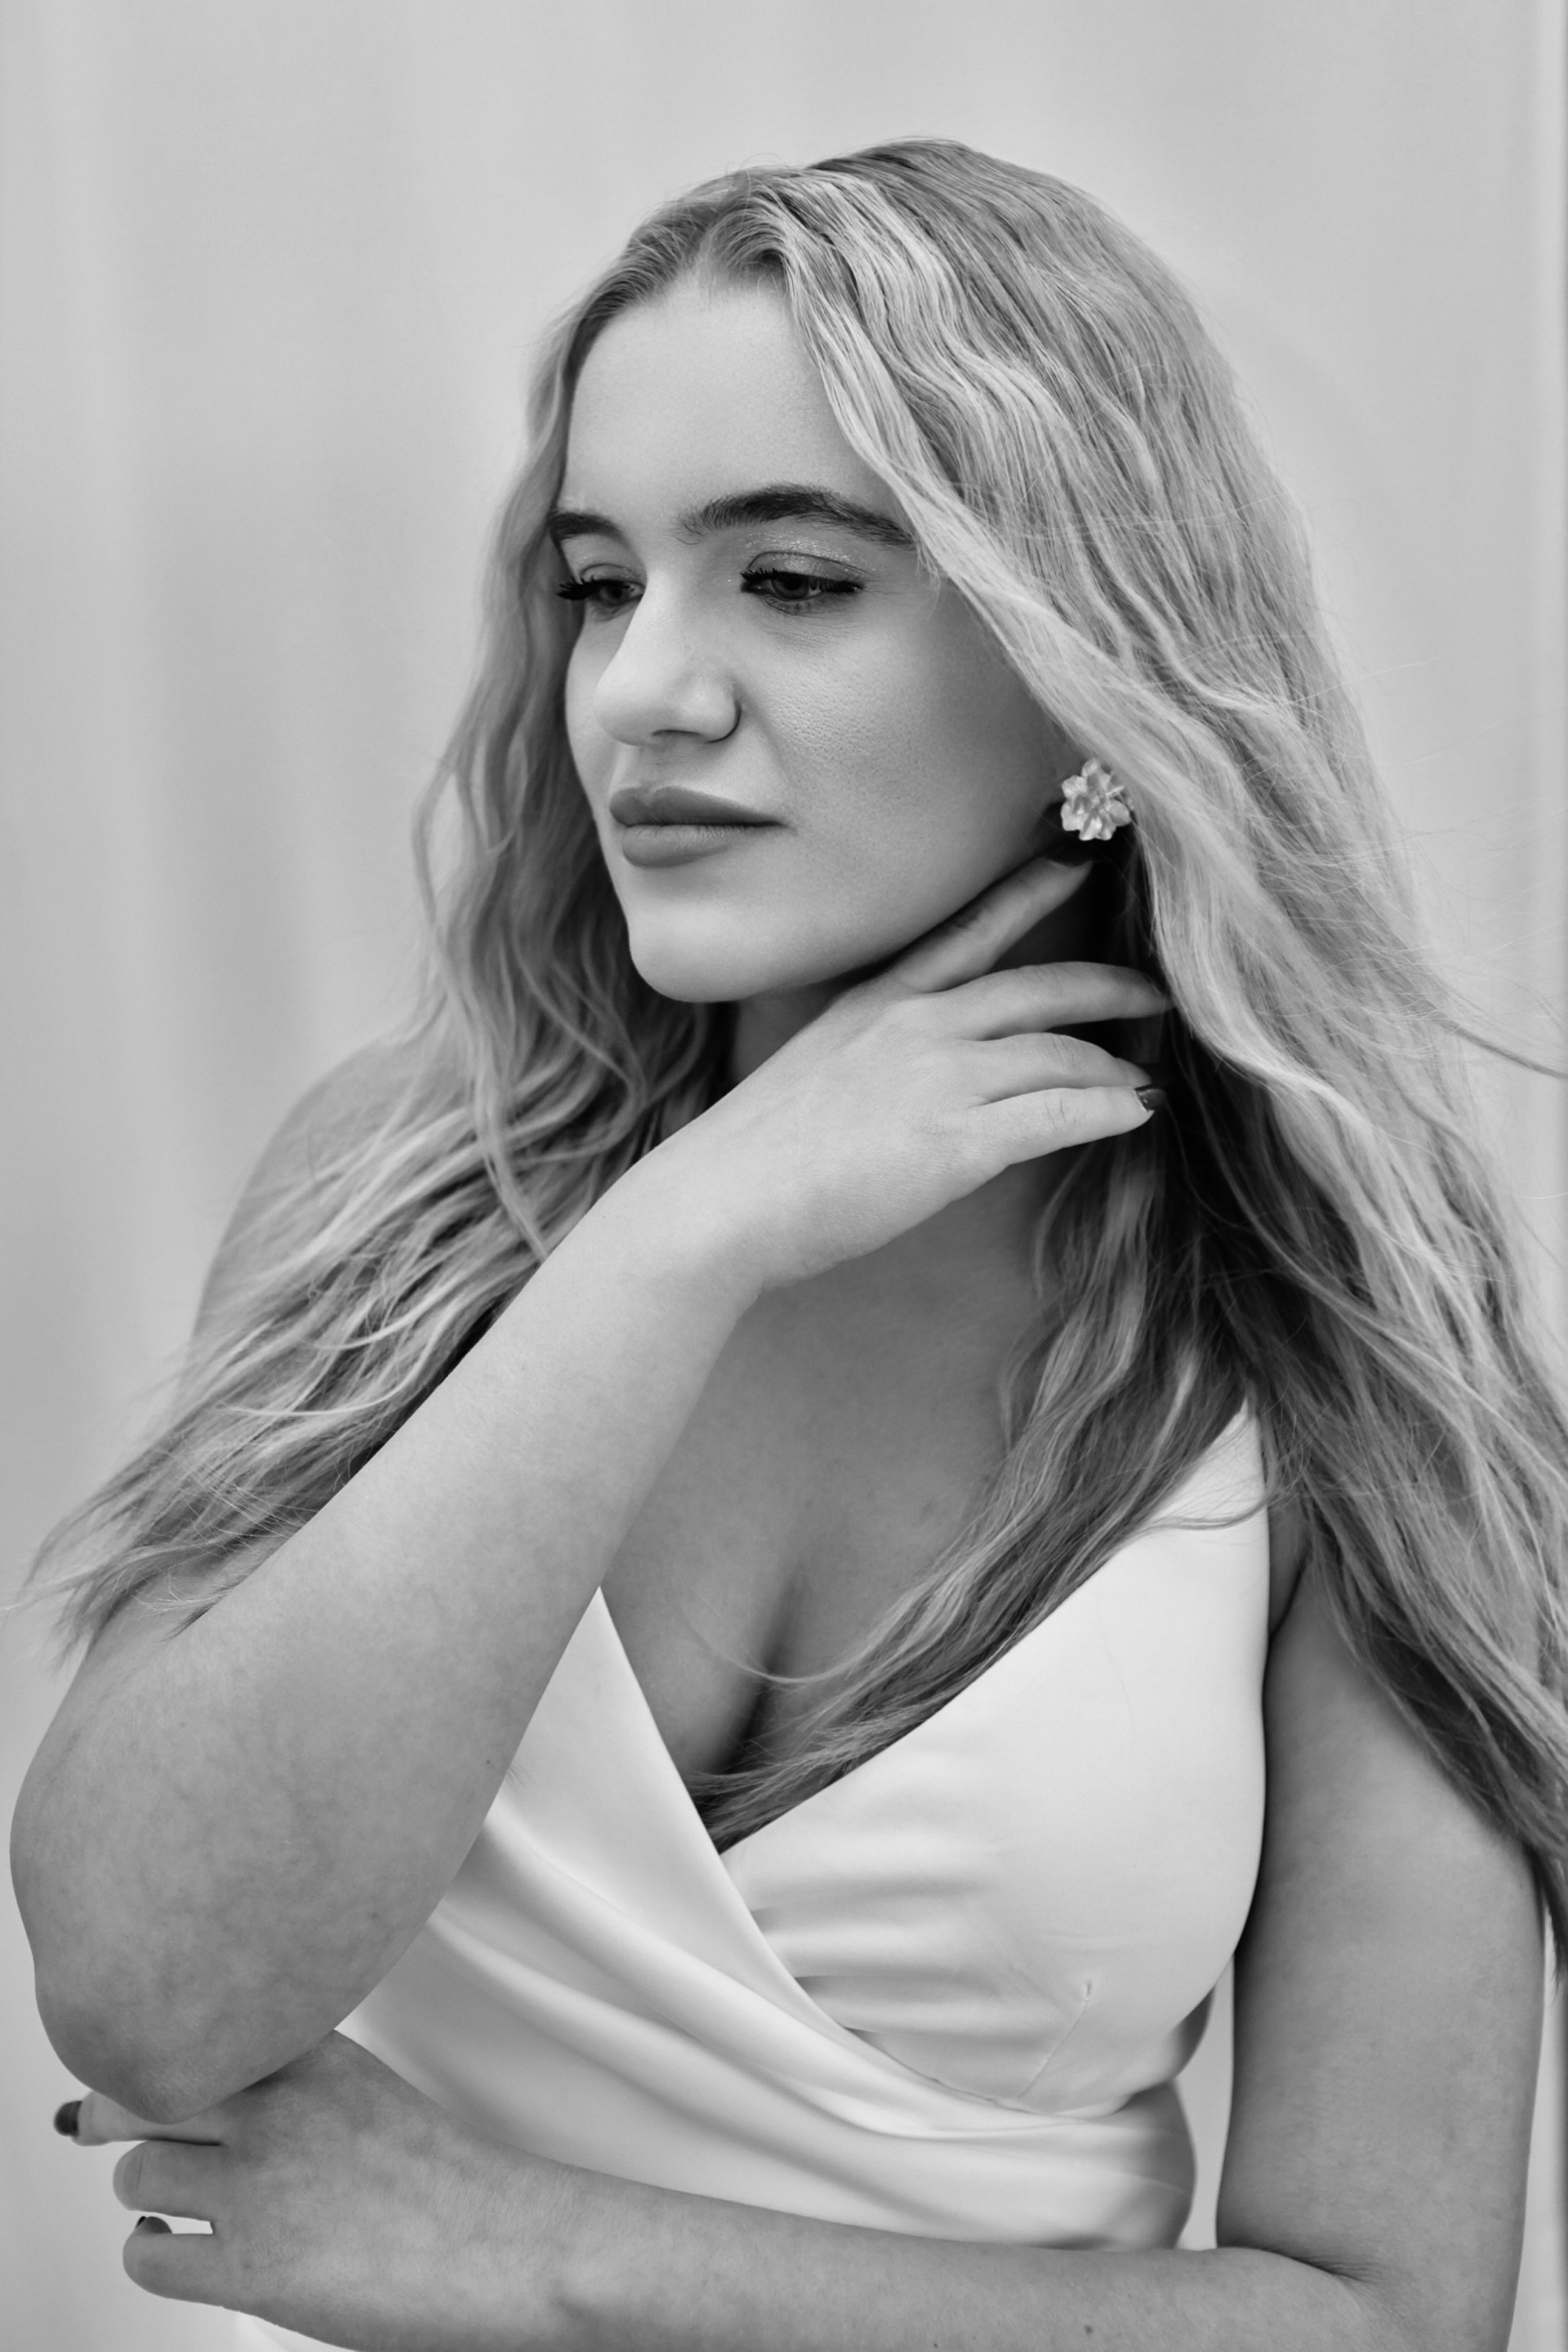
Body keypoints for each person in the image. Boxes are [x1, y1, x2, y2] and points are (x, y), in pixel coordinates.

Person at [12, 139, 1568, 2351]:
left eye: (795, 581)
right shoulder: (406, 1189)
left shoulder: (1327, 1334)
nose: (642, 689)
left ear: (1088, 656)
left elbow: (1388, 2322)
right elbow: (144, 1995)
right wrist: (681, 1238)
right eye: (598, 583)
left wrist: (534, 2259)